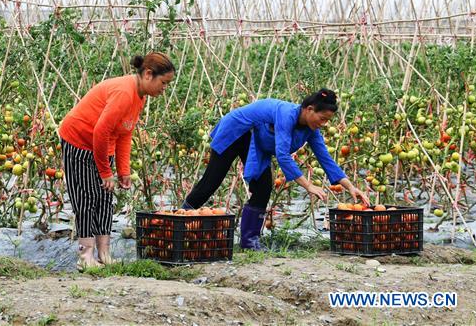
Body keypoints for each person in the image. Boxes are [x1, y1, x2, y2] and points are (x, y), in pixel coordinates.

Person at [181, 88, 370, 250]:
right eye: (322, 118)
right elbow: (282, 156)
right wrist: (308, 185)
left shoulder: (311, 131)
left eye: (327, 121)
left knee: (263, 187)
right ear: (309, 109)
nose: (323, 124)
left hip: (254, 139)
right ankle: (179, 222)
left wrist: (350, 187)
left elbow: (326, 160)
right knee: (211, 182)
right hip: (236, 131)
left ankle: (249, 241)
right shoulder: (287, 115)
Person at [59, 52, 175, 270]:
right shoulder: (124, 92)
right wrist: (105, 171)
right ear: (148, 74)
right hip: (79, 141)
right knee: (87, 198)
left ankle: (104, 253)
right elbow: (99, 131)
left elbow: (125, 132)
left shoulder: (139, 97)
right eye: (164, 83)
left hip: (103, 146)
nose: (164, 89)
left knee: (104, 198)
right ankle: (86, 257)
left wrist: (123, 170)